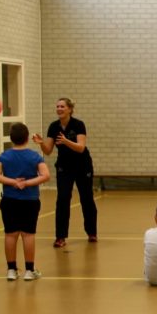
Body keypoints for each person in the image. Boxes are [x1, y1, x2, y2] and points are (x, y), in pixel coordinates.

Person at [0, 123, 50, 281]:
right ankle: (29, 271)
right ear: (27, 137)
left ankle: (11, 269)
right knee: (28, 234)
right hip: (29, 200)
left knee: (10, 234)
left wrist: (12, 182)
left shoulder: (5, 156)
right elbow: (45, 175)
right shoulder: (34, 156)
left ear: (11, 138)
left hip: (10, 200)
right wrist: (27, 183)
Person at [33, 97, 97, 248]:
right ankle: (60, 237)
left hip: (83, 166)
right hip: (64, 167)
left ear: (69, 109)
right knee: (62, 199)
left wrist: (66, 141)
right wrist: (41, 143)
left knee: (86, 199)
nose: (59, 109)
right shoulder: (54, 126)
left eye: (62, 106)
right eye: (57, 106)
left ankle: (92, 232)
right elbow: (48, 151)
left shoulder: (78, 124)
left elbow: (81, 147)